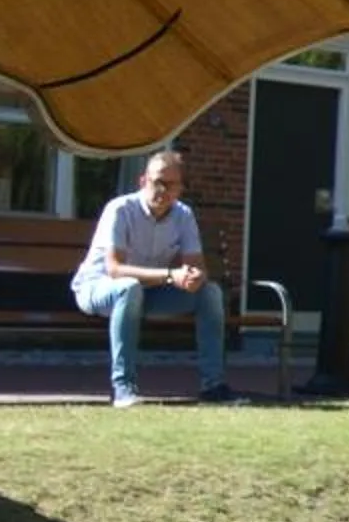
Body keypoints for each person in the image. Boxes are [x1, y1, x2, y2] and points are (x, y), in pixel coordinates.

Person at [74, 151, 236, 407]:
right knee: (129, 287)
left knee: (210, 293)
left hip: (147, 292)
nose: (162, 190)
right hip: (98, 288)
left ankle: (213, 385)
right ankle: (124, 388)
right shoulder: (120, 209)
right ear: (142, 181)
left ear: (180, 189)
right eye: (156, 181)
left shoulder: (184, 215)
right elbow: (115, 269)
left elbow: (197, 268)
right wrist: (171, 275)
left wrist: (194, 277)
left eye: (170, 185)